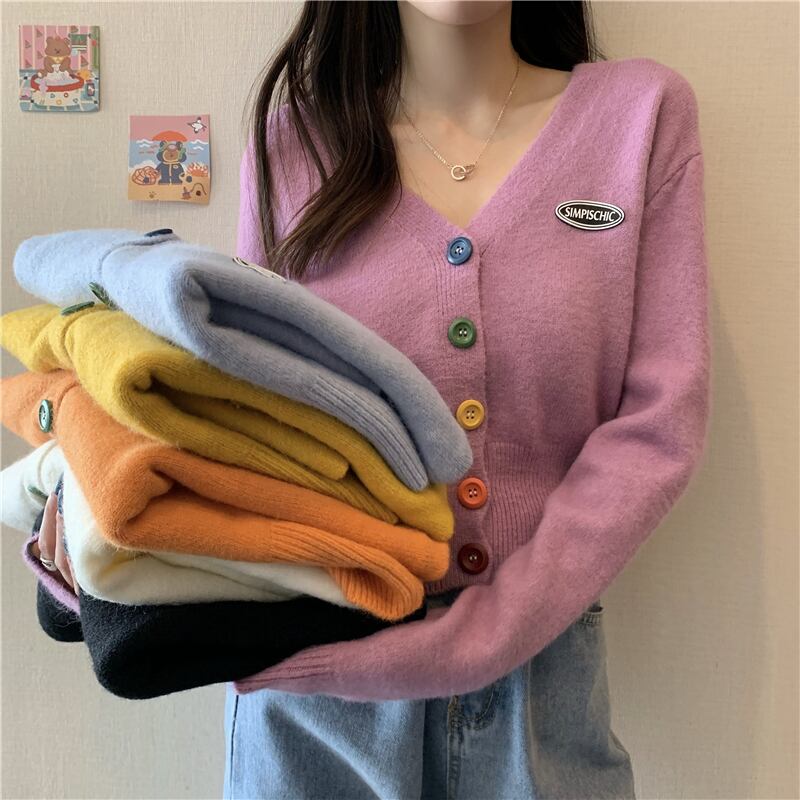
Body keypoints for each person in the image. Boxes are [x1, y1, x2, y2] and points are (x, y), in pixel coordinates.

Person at [37, 1, 710, 797]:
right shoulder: (292, 143)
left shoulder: (638, 118)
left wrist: (491, 633)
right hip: (317, 689)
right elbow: (252, 414)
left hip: (542, 684)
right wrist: (99, 504)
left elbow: (659, 421)